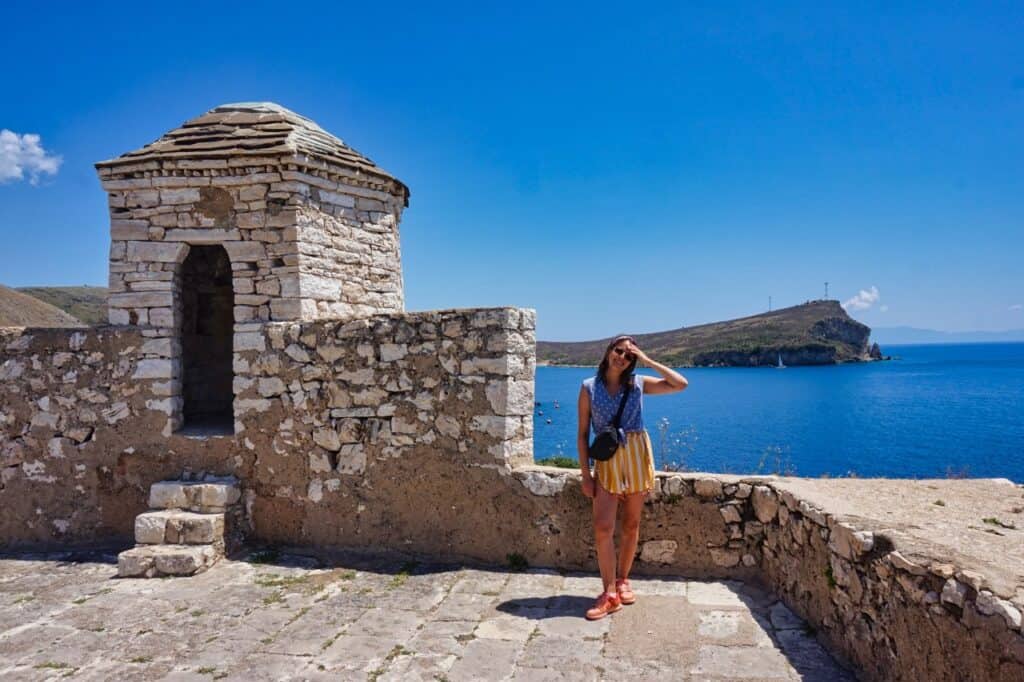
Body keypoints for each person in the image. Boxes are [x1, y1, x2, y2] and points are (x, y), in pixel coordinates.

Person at [577, 335, 688, 620]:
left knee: (631, 523)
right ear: (608, 350)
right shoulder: (588, 388)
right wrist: (586, 475)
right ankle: (609, 592)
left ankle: (623, 580)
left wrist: (648, 361)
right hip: (609, 461)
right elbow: (582, 433)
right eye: (619, 351)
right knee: (603, 527)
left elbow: (680, 384)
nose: (622, 358)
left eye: (629, 356)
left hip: (637, 456)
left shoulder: (638, 384)